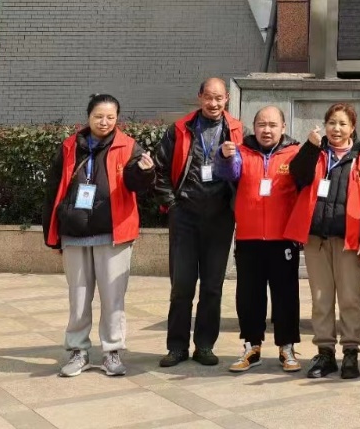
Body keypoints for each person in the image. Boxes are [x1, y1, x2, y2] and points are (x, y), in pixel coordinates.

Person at [43, 95, 155, 378]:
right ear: (88, 116)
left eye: (110, 117)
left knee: (113, 298)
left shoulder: (128, 146)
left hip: (113, 233)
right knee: (78, 298)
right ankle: (78, 351)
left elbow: (136, 184)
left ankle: (112, 351)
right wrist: (52, 234)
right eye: (98, 116)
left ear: (117, 119)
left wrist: (146, 172)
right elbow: (53, 190)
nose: (104, 122)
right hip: (75, 231)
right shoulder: (69, 146)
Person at [154, 79, 244, 367]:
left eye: (219, 98)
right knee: (181, 286)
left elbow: (247, 170)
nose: (213, 104)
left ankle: (205, 345)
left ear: (227, 98)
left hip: (220, 217)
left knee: (212, 287)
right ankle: (177, 346)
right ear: (199, 97)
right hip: (185, 216)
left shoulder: (237, 130)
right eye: (208, 97)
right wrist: (172, 205)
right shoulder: (180, 129)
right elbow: (159, 168)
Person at [286, 103, 360, 379]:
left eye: (342, 124)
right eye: (331, 123)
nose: (336, 129)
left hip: (349, 240)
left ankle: (350, 351)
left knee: (350, 297)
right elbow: (297, 176)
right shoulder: (315, 153)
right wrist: (309, 147)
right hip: (316, 238)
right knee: (321, 298)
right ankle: (325, 352)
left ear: (352, 128)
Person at [212, 106, 304, 373]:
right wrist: (224, 156)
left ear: (283, 127)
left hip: (283, 239)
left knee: (286, 295)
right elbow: (228, 173)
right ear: (254, 127)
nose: (267, 130)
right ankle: (252, 346)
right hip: (248, 237)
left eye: (273, 125)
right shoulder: (241, 152)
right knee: (249, 295)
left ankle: (287, 347)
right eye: (262, 124)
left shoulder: (295, 153)